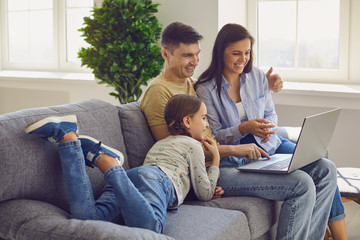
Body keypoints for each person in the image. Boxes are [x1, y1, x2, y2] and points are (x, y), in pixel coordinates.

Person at [140, 21, 338, 239]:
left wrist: (266, 84)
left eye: (197, 54)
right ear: (165, 54)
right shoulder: (159, 92)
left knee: (324, 168)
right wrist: (234, 151)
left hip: (223, 162)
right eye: (188, 55)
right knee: (301, 183)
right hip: (210, 171)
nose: (195, 61)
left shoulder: (189, 84)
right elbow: (177, 151)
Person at [194, 23, 347, 240]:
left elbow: (270, 113)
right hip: (237, 156)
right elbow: (214, 136)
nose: (243, 59)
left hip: (268, 143)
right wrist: (242, 129)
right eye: (236, 53)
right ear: (221, 53)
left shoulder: (257, 76)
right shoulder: (206, 89)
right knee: (303, 181)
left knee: (325, 168)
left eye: (247, 53)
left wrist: (267, 128)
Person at [24, 94, 220, 234]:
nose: (206, 124)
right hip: (156, 179)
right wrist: (216, 159)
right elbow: (205, 192)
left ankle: (68, 138)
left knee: (89, 221)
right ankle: (110, 164)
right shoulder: (193, 145)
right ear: (187, 121)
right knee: (151, 230)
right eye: (203, 118)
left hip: (134, 177)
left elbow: (186, 181)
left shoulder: (161, 144)